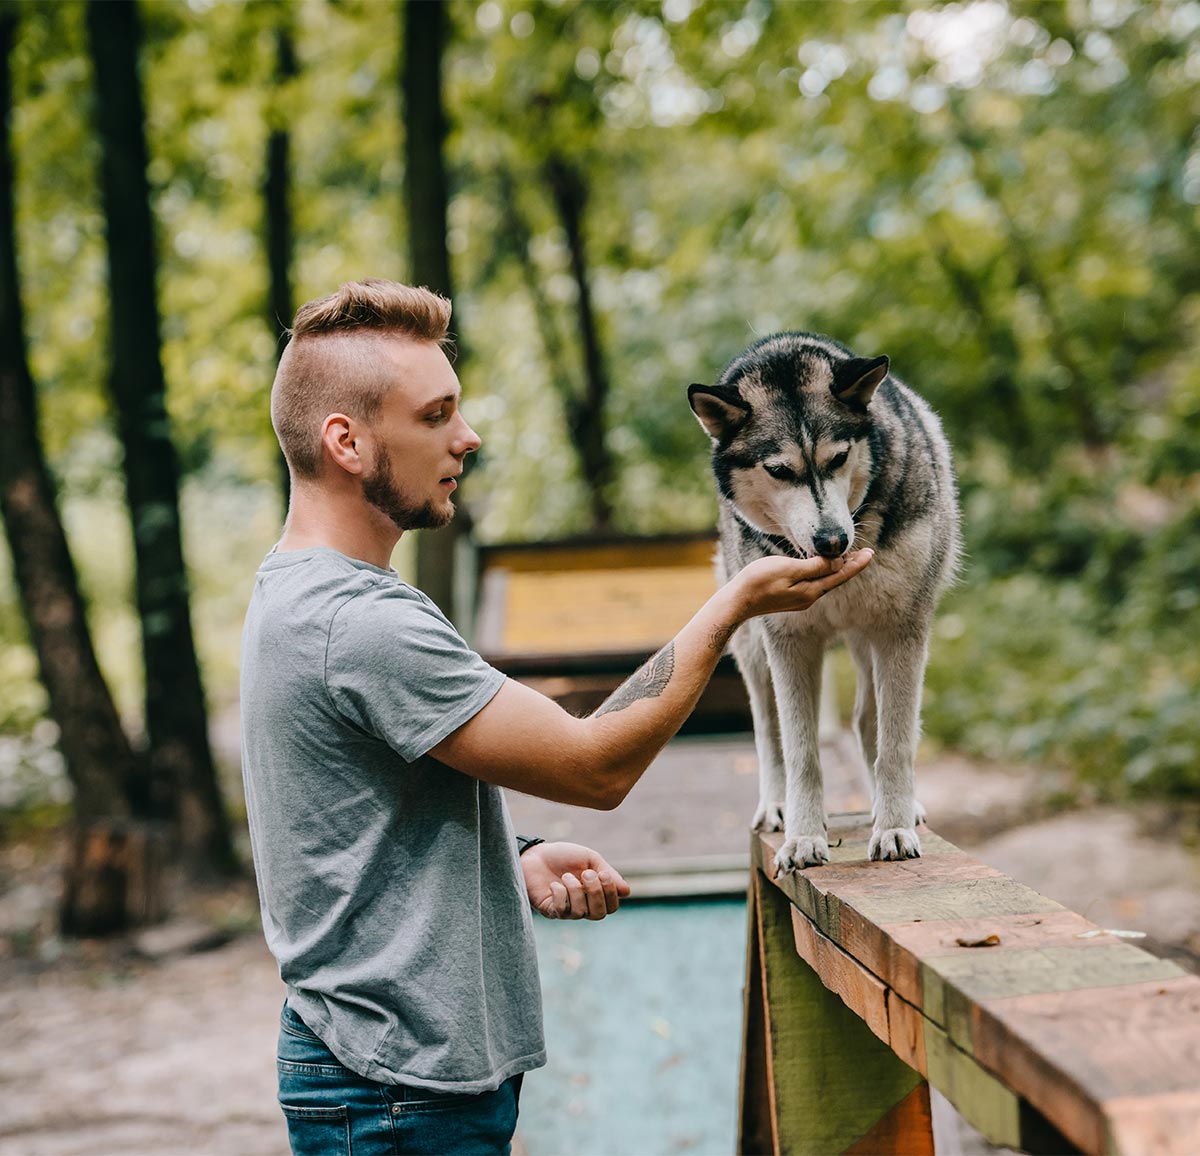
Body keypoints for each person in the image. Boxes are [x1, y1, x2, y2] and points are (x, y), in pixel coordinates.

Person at [239, 278, 874, 1156]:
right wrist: (732, 604)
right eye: (435, 417)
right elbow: (593, 767)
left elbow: (346, 827)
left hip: (391, 1078)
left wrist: (516, 859)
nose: (468, 437)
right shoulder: (360, 622)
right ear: (346, 442)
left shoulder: (303, 591)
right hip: (395, 1095)